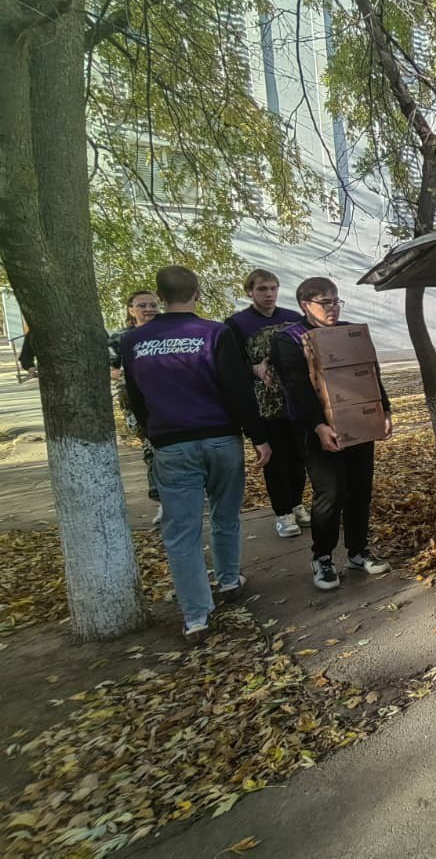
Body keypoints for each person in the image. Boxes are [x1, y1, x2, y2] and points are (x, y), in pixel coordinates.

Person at [121, 266, 271, 644]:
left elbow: (135, 396)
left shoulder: (134, 341)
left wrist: (151, 431)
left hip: (171, 444)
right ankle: (229, 580)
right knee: (225, 514)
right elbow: (237, 390)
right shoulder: (214, 333)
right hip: (221, 440)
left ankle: (196, 616)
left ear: (160, 296)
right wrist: (258, 436)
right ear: (197, 293)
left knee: (181, 531)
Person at [272, 277, 392, 591]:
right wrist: (318, 425)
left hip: (357, 424)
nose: (333, 308)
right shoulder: (290, 338)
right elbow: (296, 385)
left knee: (359, 489)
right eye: (326, 302)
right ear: (304, 304)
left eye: (336, 301)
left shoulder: (349, 332)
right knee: (332, 492)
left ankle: (357, 551)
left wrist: (384, 411)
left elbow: (370, 372)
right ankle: (322, 557)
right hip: (316, 429)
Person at [224, 269, 309, 539]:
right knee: (275, 459)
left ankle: (296, 504)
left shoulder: (293, 318)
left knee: (299, 457)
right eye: (262, 289)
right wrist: (254, 371)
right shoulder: (235, 324)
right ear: (250, 291)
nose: (269, 294)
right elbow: (233, 366)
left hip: (295, 398)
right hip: (264, 404)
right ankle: (282, 513)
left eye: (273, 288)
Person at [109, 291, 162, 523]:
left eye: (153, 304)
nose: (149, 309)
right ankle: (162, 502)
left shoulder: (167, 332)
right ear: (131, 309)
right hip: (137, 404)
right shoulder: (120, 338)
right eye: (142, 305)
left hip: (170, 401)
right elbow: (113, 370)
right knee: (152, 450)